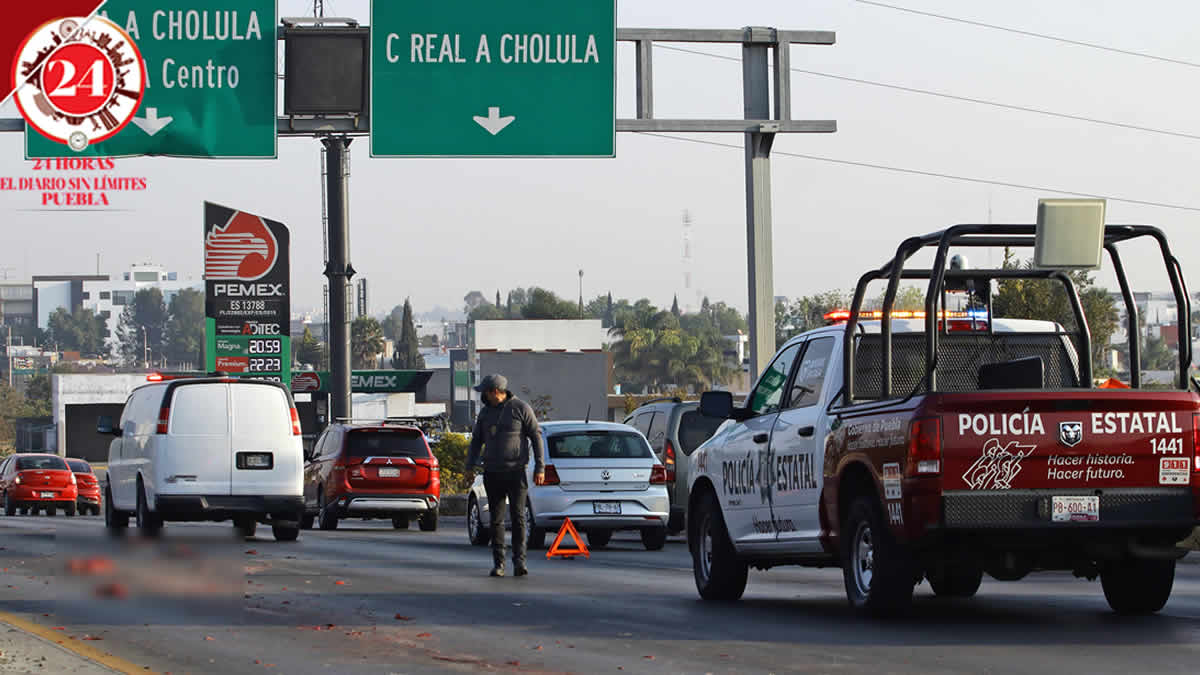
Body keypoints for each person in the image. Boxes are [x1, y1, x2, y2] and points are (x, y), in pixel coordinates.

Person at [465, 374, 545, 577]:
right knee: (496, 519)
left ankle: (519, 562)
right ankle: (498, 563)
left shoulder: (520, 408)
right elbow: (476, 442)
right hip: (492, 472)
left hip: (516, 471)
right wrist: (470, 467)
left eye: (485, 391)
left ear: (494, 391)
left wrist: (540, 468)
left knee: (518, 518)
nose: (482, 395)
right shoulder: (484, 413)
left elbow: (536, 436)